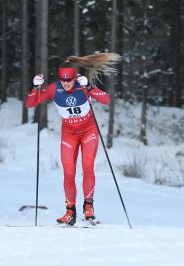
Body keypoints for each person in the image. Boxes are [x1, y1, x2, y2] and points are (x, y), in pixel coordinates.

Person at [26, 53, 120, 225]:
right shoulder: (54, 88)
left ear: (74, 79)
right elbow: (31, 103)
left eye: (69, 80)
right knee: (69, 173)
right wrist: (35, 87)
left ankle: (89, 206)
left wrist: (90, 87)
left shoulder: (82, 86)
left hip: (88, 130)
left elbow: (106, 100)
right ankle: (70, 212)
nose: (66, 83)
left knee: (87, 167)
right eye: (63, 80)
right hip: (69, 134)